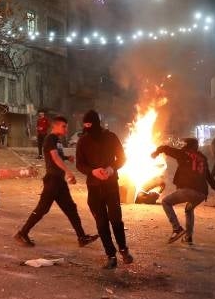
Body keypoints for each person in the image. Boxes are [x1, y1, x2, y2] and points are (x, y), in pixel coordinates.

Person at [14, 116, 99, 248]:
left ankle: (82, 237)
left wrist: (66, 157)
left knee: (71, 208)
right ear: (56, 126)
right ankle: (22, 233)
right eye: (64, 126)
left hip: (59, 181)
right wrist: (68, 171)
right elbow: (53, 157)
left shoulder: (57, 140)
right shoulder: (50, 138)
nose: (66, 129)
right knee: (42, 209)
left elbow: (56, 155)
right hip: (52, 181)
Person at [76, 110, 132, 269]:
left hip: (111, 186)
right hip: (93, 187)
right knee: (101, 224)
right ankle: (111, 255)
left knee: (116, 220)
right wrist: (92, 171)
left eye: (90, 125)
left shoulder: (111, 137)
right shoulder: (83, 141)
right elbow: (79, 164)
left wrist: (111, 168)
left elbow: (122, 158)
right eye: (85, 126)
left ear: (97, 123)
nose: (87, 129)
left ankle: (123, 249)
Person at [152, 138, 215, 245]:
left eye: (184, 144)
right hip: (202, 194)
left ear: (188, 146)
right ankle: (188, 237)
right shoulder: (202, 159)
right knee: (189, 209)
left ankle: (177, 229)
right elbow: (208, 176)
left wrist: (156, 152)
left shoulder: (184, 154)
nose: (182, 146)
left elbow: (166, 149)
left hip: (188, 190)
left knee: (166, 202)